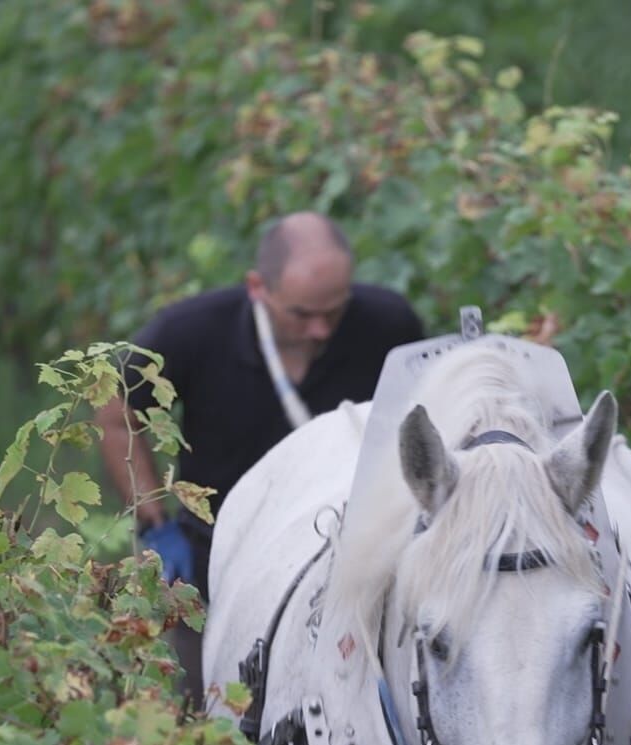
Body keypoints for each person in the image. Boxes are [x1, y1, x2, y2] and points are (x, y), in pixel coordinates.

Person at [97, 212, 424, 703]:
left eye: (333, 312)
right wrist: (154, 523)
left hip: (353, 553)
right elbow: (115, 411)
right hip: (216, 554)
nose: (319, 330)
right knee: (194, 702)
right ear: (257, 287)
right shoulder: (192, 332)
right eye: (301, 314)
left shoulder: (387, 326)